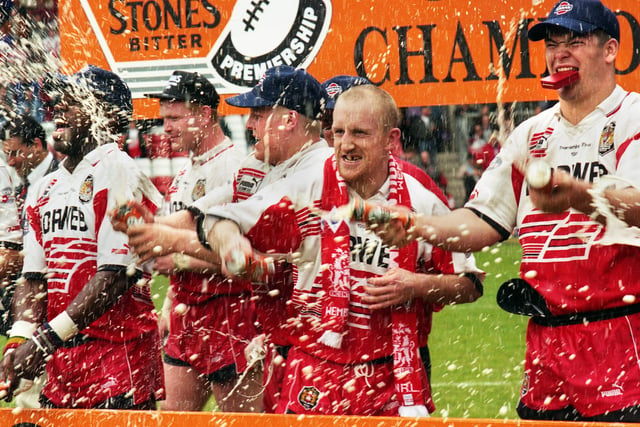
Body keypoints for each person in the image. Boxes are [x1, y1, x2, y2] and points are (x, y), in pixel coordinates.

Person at [370, 0, 640, 421]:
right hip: (545, 345)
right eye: (552, 43)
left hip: (622, 335)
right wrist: (416, 225)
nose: (559, 52)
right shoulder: (531, 133)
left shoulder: (633, 117)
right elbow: (481, 221)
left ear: (610, 51)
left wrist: (577, 195)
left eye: (575, 40)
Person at [205, 84, 483, 416]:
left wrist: (416, 286)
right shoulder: (307, 187)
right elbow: (220, 219)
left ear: (388, 139)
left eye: (360, 134)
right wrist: (232, 244)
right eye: (338, 132)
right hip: (313, 368)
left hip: (391, 374)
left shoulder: (421, 200)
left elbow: (470, 285)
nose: (346, 145)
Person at [117, 65, 331, 413]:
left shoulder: (312, 172)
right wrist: (150, 229)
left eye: (258, 115)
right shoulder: (256, 165)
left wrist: (169, 242)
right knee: (174, 417)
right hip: (261, 325)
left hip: (258, 321)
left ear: (290, 119)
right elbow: (203, 215)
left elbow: (251, 257)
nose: (249, 125)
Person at [0, 65, 165, 409]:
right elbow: (32, 280)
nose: (58, 106)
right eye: (59, 99)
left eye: (72, 100)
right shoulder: (45, 187)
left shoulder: (121, 170)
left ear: (105, 115)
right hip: (62, 369)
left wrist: (44, 341)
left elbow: (116, 276)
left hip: (119, 364)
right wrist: (18, 340)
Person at [143, 70, 261, 412]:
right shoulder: (184, 174)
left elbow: (247, 258)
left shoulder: (236, 168)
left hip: (232, 314)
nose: (166, 128)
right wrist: (168, 308)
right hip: (186, 314)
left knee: (241, 423)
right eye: (164, 119)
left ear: (206, 114)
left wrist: (179, 259)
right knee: (170, 418)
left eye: (175, 118)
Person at [0, 114, 58, 408]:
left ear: (36, 145)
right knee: (30, 404)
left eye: (14, 152)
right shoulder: (26, 185)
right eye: (6, 153)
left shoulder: (58, 179)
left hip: (55, 309)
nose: (10, 161)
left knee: (40, 405)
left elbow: (38, 258)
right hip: (32, 306)